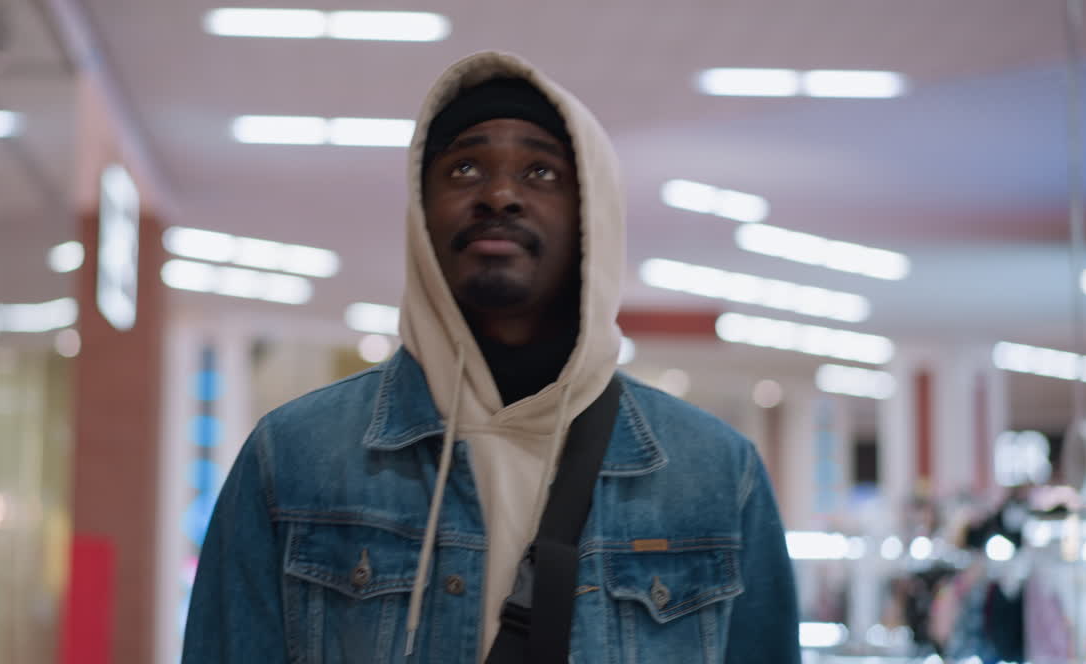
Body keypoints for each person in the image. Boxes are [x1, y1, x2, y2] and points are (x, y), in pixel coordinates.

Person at [182, 51, 800, 663]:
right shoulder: (292, 457)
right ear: (421, 215)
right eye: (465, 167)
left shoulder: (715, 474)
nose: (500, 194)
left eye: (541, 173)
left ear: (592, 216)